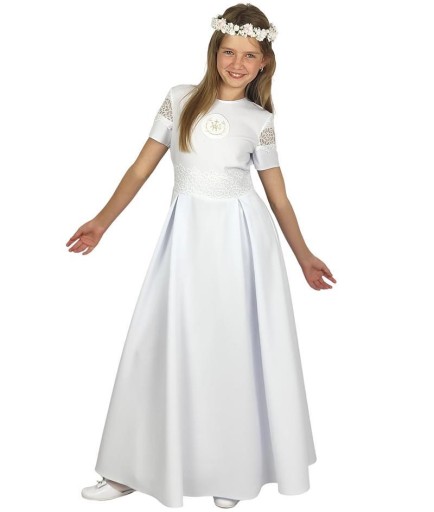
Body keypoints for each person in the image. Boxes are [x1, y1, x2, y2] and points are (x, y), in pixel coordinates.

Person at [67, 2, 337, 509]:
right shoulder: (180, 100)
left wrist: (303, 255)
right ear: (214, 52)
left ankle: (233, 469)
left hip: (241, 243)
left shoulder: (259, 121)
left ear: (264, 62)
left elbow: (278, 198)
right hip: (186, 239)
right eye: (229, 52)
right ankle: (130, 467)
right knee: (156, 343)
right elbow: (140, 169)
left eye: (250, 55)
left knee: (231, 350)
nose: (238, 63)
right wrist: (102, 221)